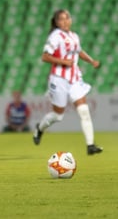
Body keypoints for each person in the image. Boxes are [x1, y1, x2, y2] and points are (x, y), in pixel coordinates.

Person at [33, 9, 103, 155]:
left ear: (71, 20)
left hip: (75, 79)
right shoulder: (55, 36)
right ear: (57, 22)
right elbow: (45, 57)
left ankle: (90, 145)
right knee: (58, 115)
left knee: (84, 110)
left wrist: (91, 61)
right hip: (59, 80)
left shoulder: (74, 36)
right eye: (61, 19)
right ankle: (40, 128)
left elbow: (79, 51)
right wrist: (62, 61)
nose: (65, 21)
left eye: (67, 18)